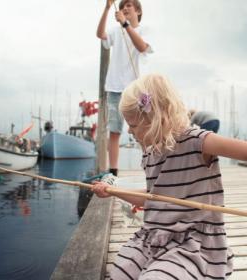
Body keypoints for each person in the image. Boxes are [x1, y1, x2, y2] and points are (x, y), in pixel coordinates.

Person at [90, 73, 247, 279]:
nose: (129, 130)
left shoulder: (197, 141)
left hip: (192, 243)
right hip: (154, 238)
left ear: (156, 119)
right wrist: (112, 191)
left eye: (134, 125)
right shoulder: (150, 153)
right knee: (119, 274)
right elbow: (152, 198)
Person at [96, 0, 153, 176]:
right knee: (114, 131)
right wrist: (106, 9)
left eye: (128, 6)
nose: (124, 8)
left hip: (140, 89)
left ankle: (151, 168)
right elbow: (100, 34)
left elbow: (142, 47)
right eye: (122, 7)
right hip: (115, 88)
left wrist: (125, 24)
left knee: (146, 128)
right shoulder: (115, 30)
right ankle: (113, 172)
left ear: (138, 11)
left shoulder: (145, 30)